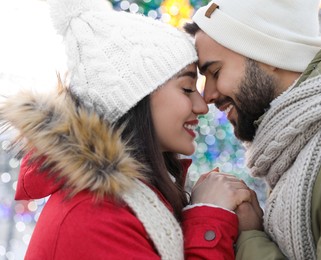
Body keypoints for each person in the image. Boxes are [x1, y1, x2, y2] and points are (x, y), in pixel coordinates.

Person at [0, 0, 252, 259]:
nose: (202, 105)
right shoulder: (93, 214)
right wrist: (210, 215)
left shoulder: (137, 197)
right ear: (134, 99)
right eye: (187, 89)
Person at [184, 0, 321, 259]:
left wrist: (248, 236)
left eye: (215, 72)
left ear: (269, 53)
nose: (208, 96)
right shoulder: (298, 143)